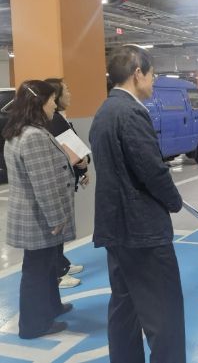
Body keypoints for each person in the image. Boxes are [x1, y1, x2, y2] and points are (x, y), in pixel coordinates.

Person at [89, 45, 185, 363]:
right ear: (137, 73)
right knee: (164, 315)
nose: (153, 82)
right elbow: (152, 171)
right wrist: (174, 201)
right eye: (152, 75)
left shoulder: (104, 111)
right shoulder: (131, 113)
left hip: (115, 228)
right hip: (143, 231)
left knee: (124, 307)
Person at [3, 80, 76, 339]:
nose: (55, 105)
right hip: (39, 218)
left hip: (32, 216)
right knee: (36, 271)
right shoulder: (34, 137)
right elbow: (43, 183)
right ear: (39, 103)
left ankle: (52, 307)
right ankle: (33, 325)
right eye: (52, 100)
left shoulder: (20, 131)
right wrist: (57, 218)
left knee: (45, 267)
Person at [45, 78, 89, 289]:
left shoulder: (60, 118)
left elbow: (75, 148)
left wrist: (83, 168)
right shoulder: (53, 121)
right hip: (59, 183)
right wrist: (82, 166)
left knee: (61, 229)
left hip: (70, 178)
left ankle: (61, 263)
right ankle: (57, 272)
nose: (70, 94)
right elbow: (69, 153)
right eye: (66, 91)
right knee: (56, 228)